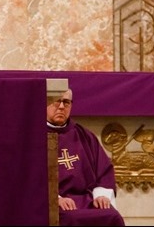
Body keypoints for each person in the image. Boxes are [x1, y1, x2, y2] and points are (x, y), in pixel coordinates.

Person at [47, 89, 125, 226]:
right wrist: (55, 199)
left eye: (66, 102)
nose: (61, 107)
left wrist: (101, 195)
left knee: (112, 216)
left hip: (87, 198)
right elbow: (29, 179)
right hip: (54, 201)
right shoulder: (33, 136)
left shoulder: (84, 135)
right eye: (56, 101)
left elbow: (104, 170)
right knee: (70, 219)